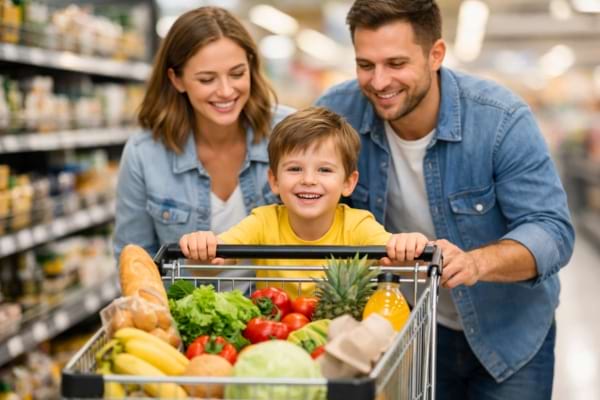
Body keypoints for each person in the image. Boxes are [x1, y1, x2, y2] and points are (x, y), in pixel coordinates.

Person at [315, 1, 575, 399]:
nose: (379, 81)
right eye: (365, 65)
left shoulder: (499, 119)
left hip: (506, 331)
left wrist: (475, 262)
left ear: (435, 54)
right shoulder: (338, 115)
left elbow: (552, 230)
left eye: (396, 63)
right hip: (404, 331)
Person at [179, 106, 429, 297]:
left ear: (349, 183)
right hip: (274, 339)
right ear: (274, 180)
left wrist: (407, 245)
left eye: (325, 170)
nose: (308, 180)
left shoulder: (357, 225)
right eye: (295, 169)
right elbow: (212, 265)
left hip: (344, 341)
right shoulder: (263, 221)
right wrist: (202, 249)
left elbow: (396, 256)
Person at [114, 6, 293, 261]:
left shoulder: (290, 132)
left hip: (278, 299)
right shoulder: (145, 153)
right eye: (207, 79)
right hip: (185, 300)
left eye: (237, 73)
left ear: (251, 67)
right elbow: (134, 258)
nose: (226, 91)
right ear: (177, 80)